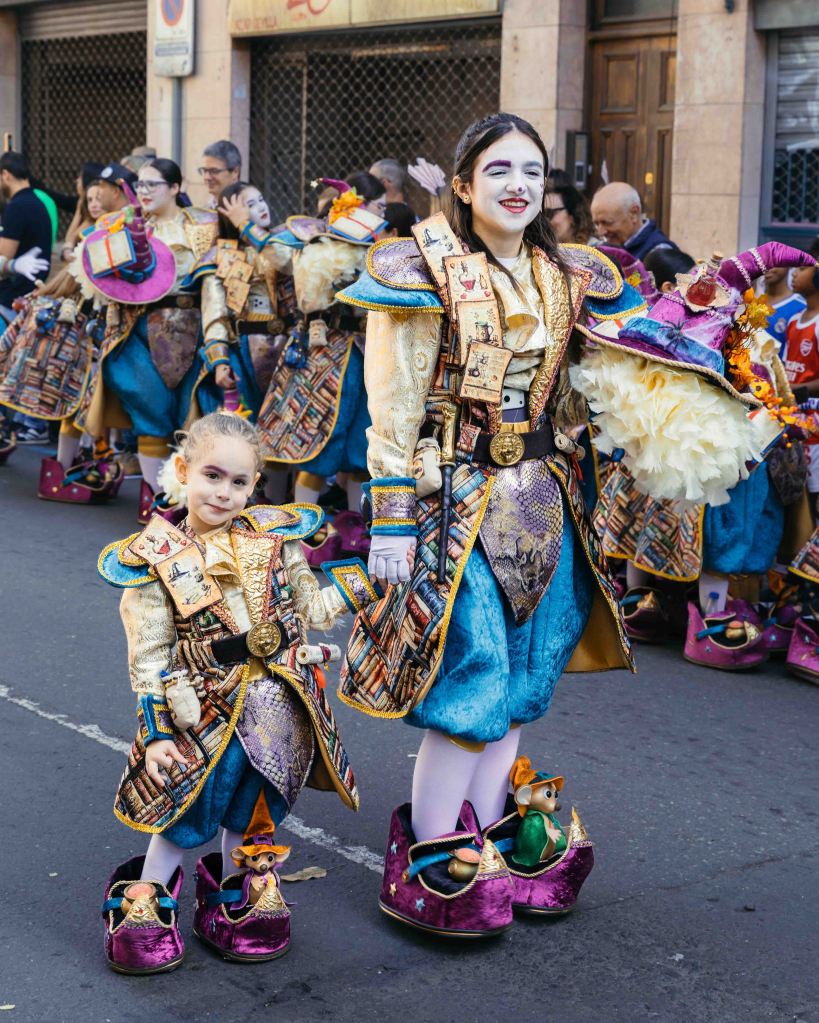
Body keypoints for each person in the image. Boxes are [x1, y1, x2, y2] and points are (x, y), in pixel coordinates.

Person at [335, 113, 636, 936]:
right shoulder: (419, 267)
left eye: (532, 172)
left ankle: (481, 837)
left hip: (543, 499)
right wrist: (390, 517)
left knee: (521, 685)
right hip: (453, 504)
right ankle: (432, 851)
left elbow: (591, 389)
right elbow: (391, 403)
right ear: (462, 185)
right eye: (497, 169)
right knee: (470, 678)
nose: (517, 185)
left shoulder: (568, 274)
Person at [97, 411, 363, 973]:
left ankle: (234, 899)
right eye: (212, 476)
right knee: (183, 810)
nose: (224, 492)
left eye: (239, 482)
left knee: (251, 810)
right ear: (183, 470)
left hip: (279, 707)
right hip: (202, 710)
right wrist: (155, 734)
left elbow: (311, 610)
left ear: (255, 486)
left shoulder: (273, 539)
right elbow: (147, 660)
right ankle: (147, 902)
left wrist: (368, 581)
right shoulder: (151, 559)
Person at [70, 158, 223, 519]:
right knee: (149, 412)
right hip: (137, 329)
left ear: (175, 188)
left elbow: (215, 282)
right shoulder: (118, 225)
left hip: (192, 327)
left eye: (153, 185)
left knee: (192, 418)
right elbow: (96, 274)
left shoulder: (203, 225)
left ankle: (185, 497)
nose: (143, 192)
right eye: (139, 184)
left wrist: (218, 338)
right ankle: (159, 500)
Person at [256, 171, 387, 561]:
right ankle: (300, 527)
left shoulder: (381, 245)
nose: (379, 214)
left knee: (360, 444)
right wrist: (322, 235)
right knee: (315, 440)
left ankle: (353, 527)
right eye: (375, 206)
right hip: (322, 352)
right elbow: (276, 255)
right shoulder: (314, 242)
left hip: (364, 351)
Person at [783, 255, 819, 517]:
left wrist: (796, 390)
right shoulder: (795, 320)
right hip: (793, 420)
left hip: (815, 426)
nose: (795, 273)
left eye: (804, 269)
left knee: (813, 495)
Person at [0, 151, 53, 324]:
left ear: (6, 175)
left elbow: (3, 258)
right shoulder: (38, 202)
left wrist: (12, 265)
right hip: (30, 295)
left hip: (11, 301)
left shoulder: (17, 206)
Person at [591, 181, 675, 261]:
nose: (600, 232)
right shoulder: (603, 248)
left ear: (634, 213)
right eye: (597, 224)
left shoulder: (659, 253)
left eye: (607, 223)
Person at [763, 265, 807, 357]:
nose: (769, 266)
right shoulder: (751, 303)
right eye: (765, 261)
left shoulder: (801, 308)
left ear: (788, 263)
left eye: (776, 262)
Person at [199, 140, 242, 207]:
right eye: (204, 171)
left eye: (214, 171)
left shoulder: (249, 207)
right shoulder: (205, 210)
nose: (207, 177)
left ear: (235, 172)